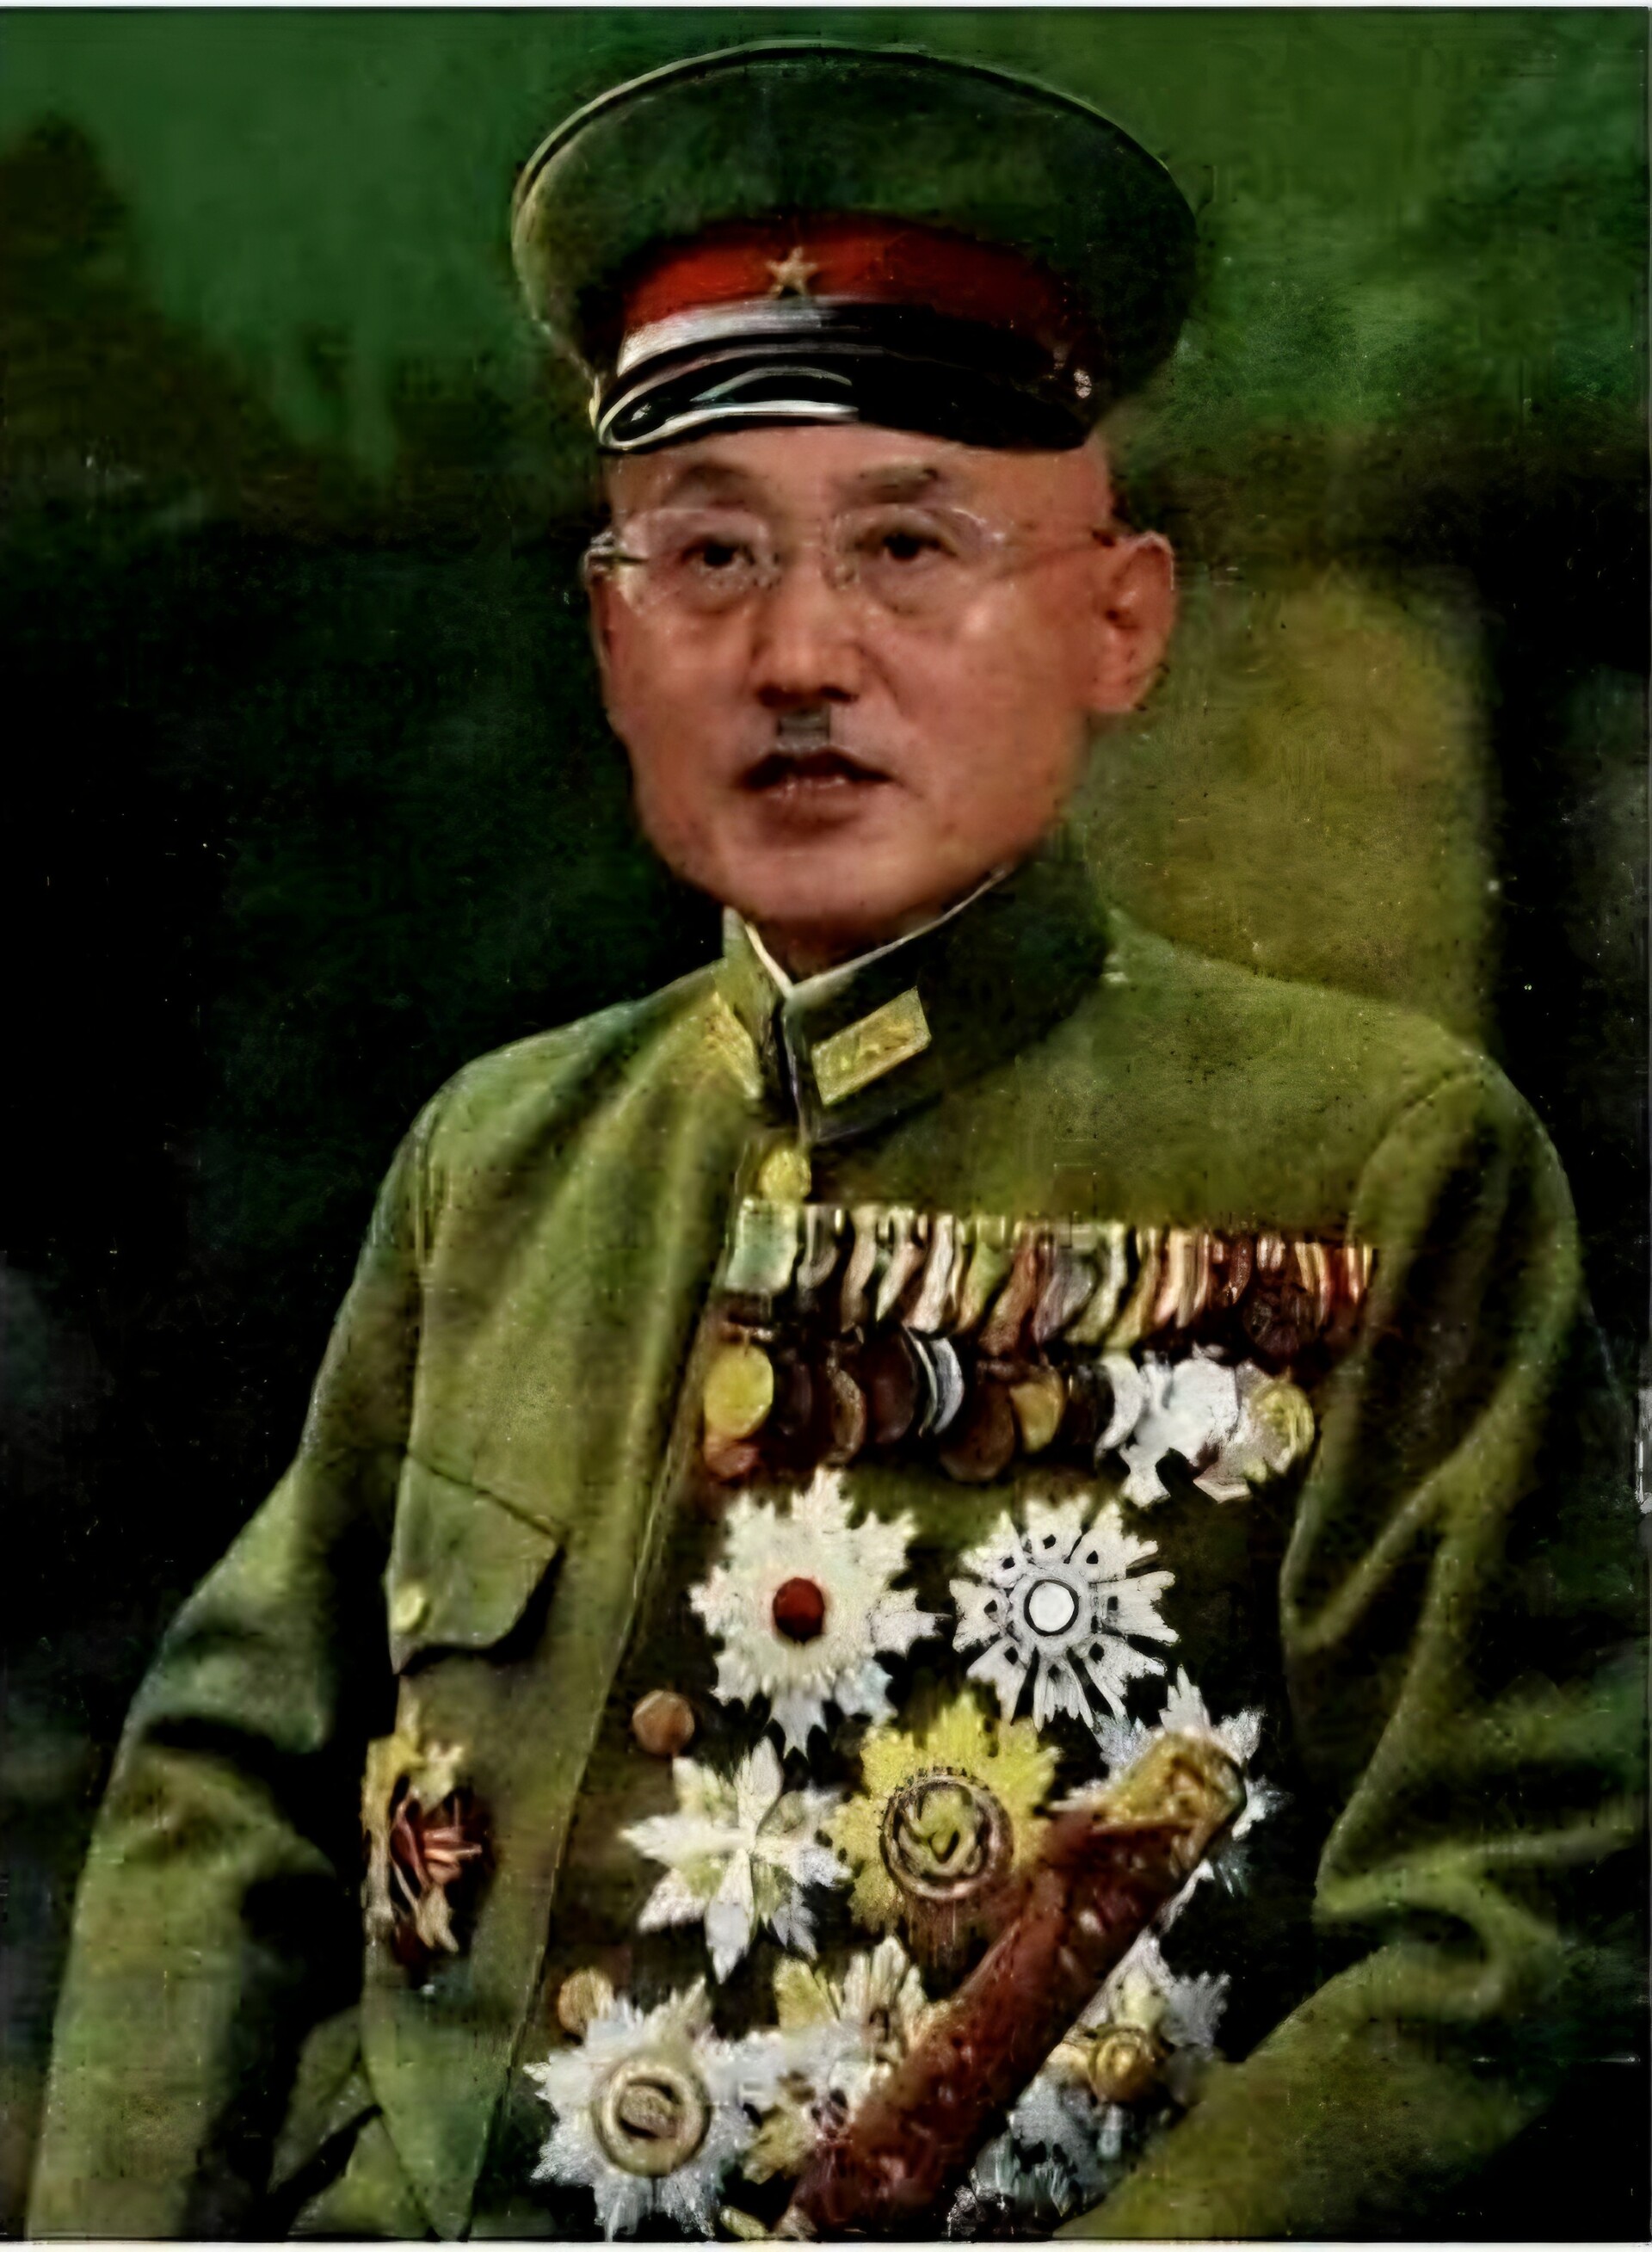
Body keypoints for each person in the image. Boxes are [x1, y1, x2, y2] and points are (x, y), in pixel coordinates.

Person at [28, 40, 1643, 2243]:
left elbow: (1503, 1920)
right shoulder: (502, 1160)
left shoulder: (1379, 1161)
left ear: (1117, 623)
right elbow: (232, 1787)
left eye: (908, 545)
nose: (801, 654)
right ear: (616, 639)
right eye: (710, 555)